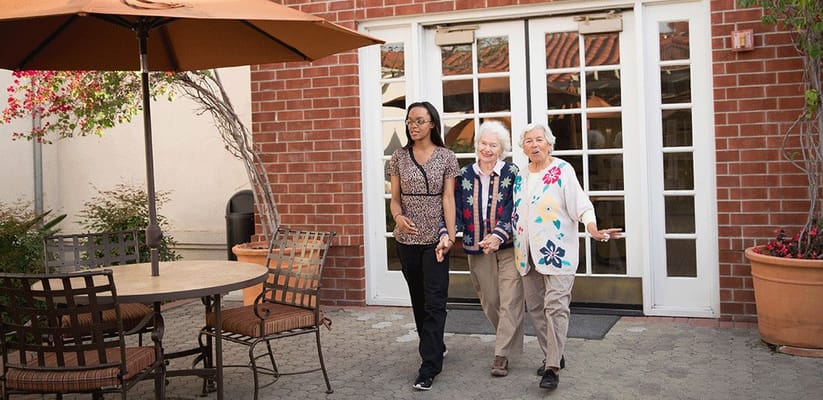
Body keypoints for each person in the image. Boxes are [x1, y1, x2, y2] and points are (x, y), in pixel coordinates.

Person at [512, 122, 620, 390]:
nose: (534, 145)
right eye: (528, 141)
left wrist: (593, 229)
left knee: (556, 307)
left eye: (539, 140)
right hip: (526, 254)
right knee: (536, 309)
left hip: (557, 252)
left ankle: (551, 368)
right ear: (522, 147)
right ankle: (555, 354)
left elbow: (582, 206)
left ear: (549, 143)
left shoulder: (562, 171)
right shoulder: (521, 176)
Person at [387, 101, 459, 391]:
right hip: (406, 240)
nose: (413, 125)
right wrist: (398, 216)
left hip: (435, 241)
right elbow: (394, 198)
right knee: (419, 299)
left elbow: (449, 199)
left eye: (419, 120)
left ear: (432, 124)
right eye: (409, 121)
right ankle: (435, 345)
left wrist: (450, 237)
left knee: (435, 300)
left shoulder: (447, 157)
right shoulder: (398, 157)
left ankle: (428, 366)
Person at [454, 120, 523, 377]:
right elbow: (458, 210)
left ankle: (501, 354)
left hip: (506, 246)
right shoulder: (463, 175)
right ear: (477, 145)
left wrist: (498, 234)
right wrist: (447, 234)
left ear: (501, 148)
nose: (487, 149)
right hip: (476, 246)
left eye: (493, 145)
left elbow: (514, 208)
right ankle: (508, 337)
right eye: (483, 143)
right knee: (491, 300)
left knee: (510, 300)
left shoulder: (512, 172)